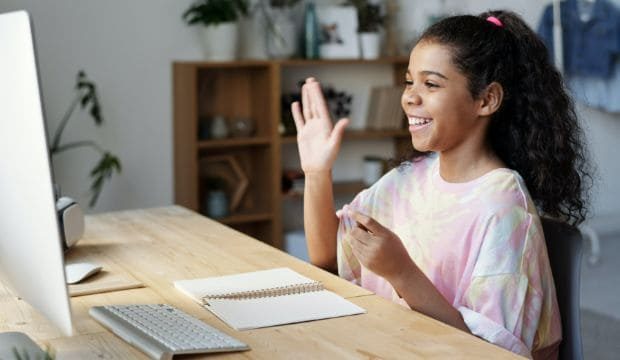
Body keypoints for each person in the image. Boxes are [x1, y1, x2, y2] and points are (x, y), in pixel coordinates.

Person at [291, 9, 591, 360]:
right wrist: (316, 172)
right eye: (408, 81)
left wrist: (402, 273)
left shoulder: (504, 211)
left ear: (486, 100)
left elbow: (489, 354)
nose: (409, 97)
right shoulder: (407, 180)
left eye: (430, 84)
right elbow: (327, 257)